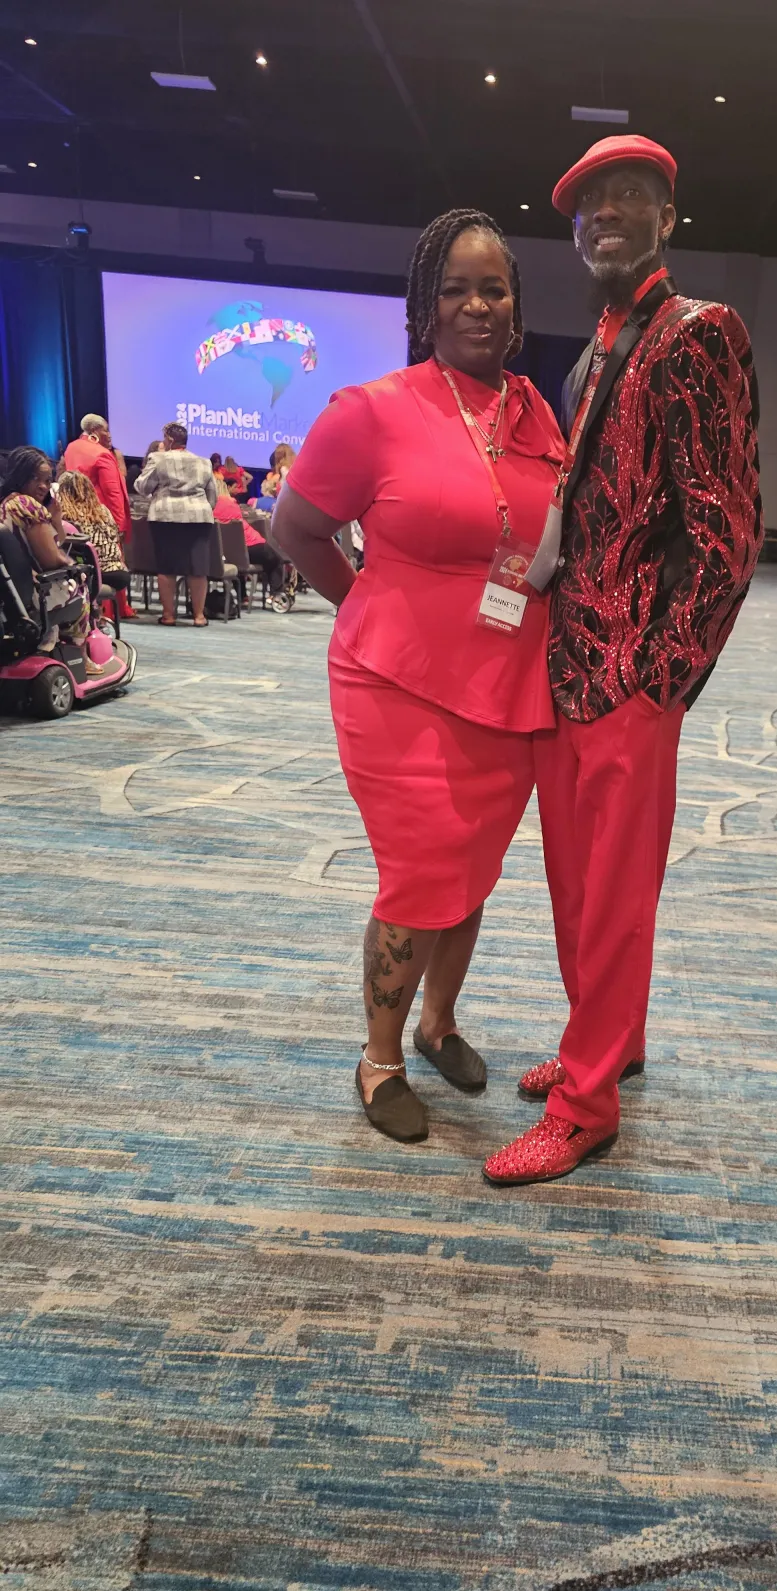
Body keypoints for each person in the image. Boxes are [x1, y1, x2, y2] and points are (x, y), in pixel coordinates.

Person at [483, 135, 764, 1186]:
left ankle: (587, 1101)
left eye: (630, 198)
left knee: (611, 889)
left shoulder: (699, 335)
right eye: (589, 204)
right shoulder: (594, 349)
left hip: (632, 670)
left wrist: (664, 675)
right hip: (569, 660)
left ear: (667, 218)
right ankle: (611, 1037)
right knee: (577, 883)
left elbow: (727, 529)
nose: (607, 215)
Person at [272, 209, 565, 1145]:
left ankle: (440, 1024)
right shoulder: (372, 410)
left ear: (516, 304)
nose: (478, 305)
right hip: (394, 685)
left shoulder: (535, 411)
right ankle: (380, 1057)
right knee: (420, 868)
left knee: (471, 871)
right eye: (456, 289)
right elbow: (295, 532)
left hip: (506, 682)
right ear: (424, 306)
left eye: (495, 288)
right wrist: (371, 606)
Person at [0, 447, 102, 667]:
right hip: (35, 596)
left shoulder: (6, 504)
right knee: (81, 582)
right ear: (19, 475)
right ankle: (81, 656)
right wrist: (72, 565)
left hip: (12, 596)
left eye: (47, 480)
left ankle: (53, 641)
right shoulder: (26, 506)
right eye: (35, 478)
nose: (43, 486)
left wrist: (55, 518)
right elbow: (52, 560)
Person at [133, 423, 219, 627]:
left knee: (167, 567)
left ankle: (169, 615)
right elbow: (213, 495)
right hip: (199, 517)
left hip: (165, 516)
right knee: (198, 568)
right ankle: (199, 617)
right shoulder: (204, 462)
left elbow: (141, 486)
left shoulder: (158, 458)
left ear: (169, 440)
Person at [54, 470, 136, 620]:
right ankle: (94, 616)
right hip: (119, 573)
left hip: (93, 573)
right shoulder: (103, 511)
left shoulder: (64, 515)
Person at [212, 477, 286, 599]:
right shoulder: (230, 504)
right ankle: (276, 594)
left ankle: (243, 596)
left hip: (228, 550)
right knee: (277, 561)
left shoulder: (210, 507)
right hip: (252, 544)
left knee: (236, 561)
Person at [62, 414, 131, 539]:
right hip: (101, 518)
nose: (109, 435)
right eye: (106, 430)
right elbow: (113, 492)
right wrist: (120, 525)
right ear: (95, 431)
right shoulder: (102, 454)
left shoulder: (71, 448)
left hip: (76, 515)